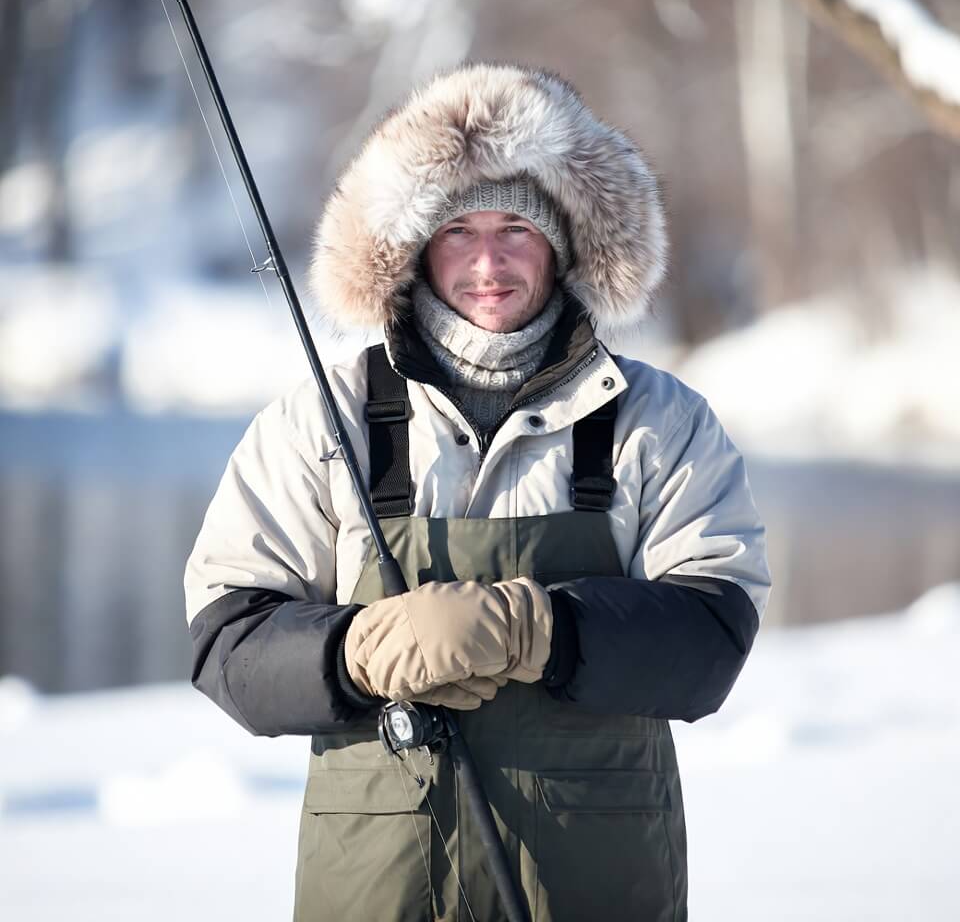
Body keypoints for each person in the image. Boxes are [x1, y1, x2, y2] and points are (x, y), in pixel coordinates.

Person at [185, 63, 771, 922]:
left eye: (517, 231)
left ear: (564, 245)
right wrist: (355, 651)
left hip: (597, 885)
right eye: (458, 229)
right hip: (377, 886)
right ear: (416, 246)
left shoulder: (658, 419)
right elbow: (225, 645)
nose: (488, 263)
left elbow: (713, 638)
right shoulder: (324, 422)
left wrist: (543, 629)